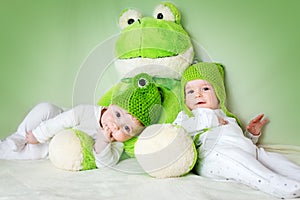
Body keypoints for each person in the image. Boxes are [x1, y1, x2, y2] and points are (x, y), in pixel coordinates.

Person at [173, 62, 300, 199]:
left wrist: (251, 134)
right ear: (185, 99)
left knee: (274, 159)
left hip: (247, 151)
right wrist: (210, 121)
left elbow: (239, 141)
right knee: (240, 162)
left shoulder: (227, 116)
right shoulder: (187, 116)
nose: (197, 95)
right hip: (213, 156)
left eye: (205, 89)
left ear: (219, 94)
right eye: (190, 91)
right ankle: (282, 187)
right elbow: (176, 132)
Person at [0, 73, 162, 168]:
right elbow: (61, 121)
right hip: (51, 124)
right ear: (111, 105)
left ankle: (7, 147)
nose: (116, 126)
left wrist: (103, 140)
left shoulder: (116, 143)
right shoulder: (86, 111)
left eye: (127, 129)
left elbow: (105, 163)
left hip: (52, 146)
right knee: (45, 108)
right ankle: (19, 137)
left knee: (27, 152)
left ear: (133, 135)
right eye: (118, 115)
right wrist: (38, 135)